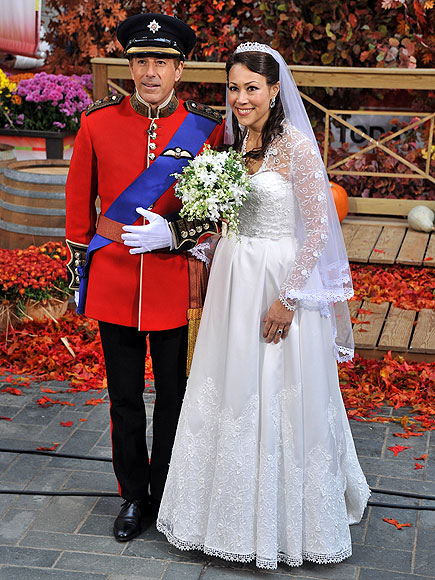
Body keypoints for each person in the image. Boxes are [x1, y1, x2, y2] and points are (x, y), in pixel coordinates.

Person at [156, 42, 370, 569]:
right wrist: (201, 243)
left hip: (276, 281)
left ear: (275, 90)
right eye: (233, 87)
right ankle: (221, 511)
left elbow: (319, 230)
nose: (241, 97)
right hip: (233, 278)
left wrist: (290, 298)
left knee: (275, 387)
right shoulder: (231, 144)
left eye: (252, 87)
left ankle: (283, 518)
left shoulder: (294, 147)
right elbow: (227, 219)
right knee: (231, 385)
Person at [65, 13, 224, 542]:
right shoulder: (97, 122)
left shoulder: (206, 130)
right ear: (129, 65)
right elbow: (77, 205)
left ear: (179, 69)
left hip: (174, 281)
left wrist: (176, 235)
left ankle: (170, 491)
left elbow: (216, 206)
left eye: (161, 62)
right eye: (140, 61)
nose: (149, 71)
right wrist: (77, 269)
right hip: (114, 281)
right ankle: (134, 494)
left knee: (176, 397)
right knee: (125, 398)